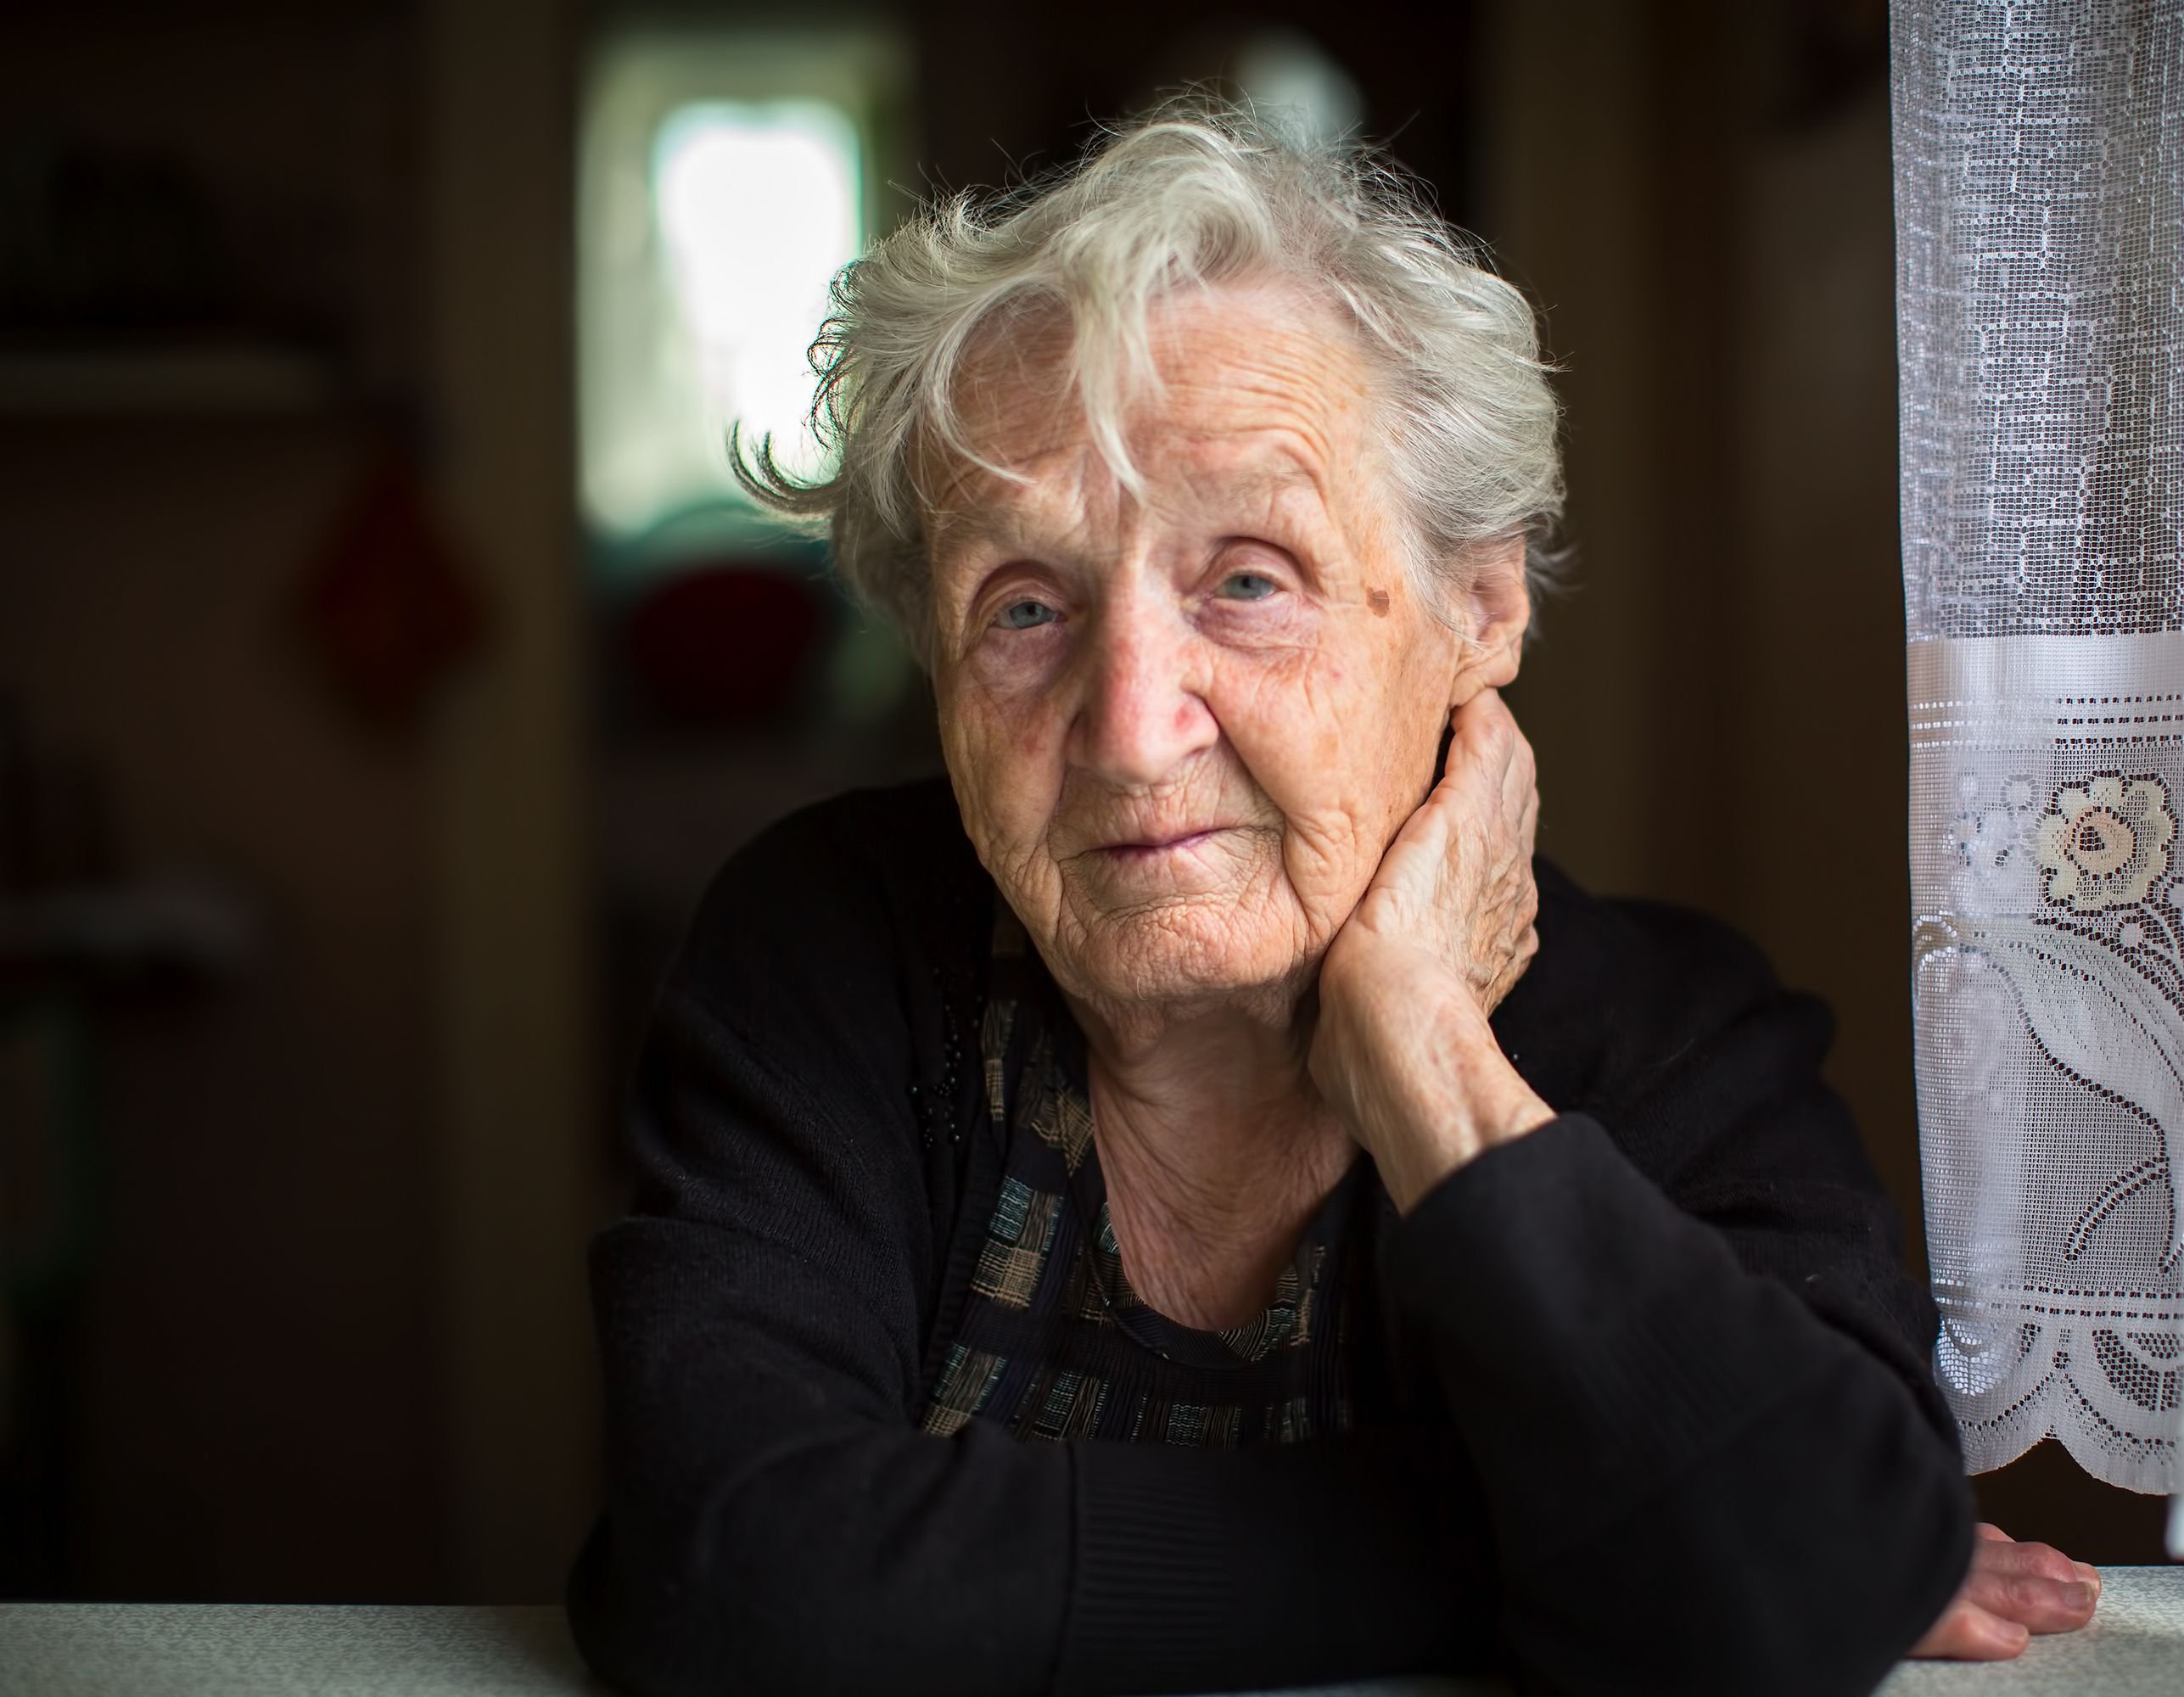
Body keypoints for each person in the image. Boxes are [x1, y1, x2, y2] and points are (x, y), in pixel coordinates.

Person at [566, 98, 2101, 1696]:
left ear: (1479, 606)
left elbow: (1831, 1566)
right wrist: (1583, 1548)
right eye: (1025, 609)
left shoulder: (1668, 1044)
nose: (1132, 725)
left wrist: (1425, 1053)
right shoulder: (832, 954)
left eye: (1248, 578)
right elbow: (739, 1577)